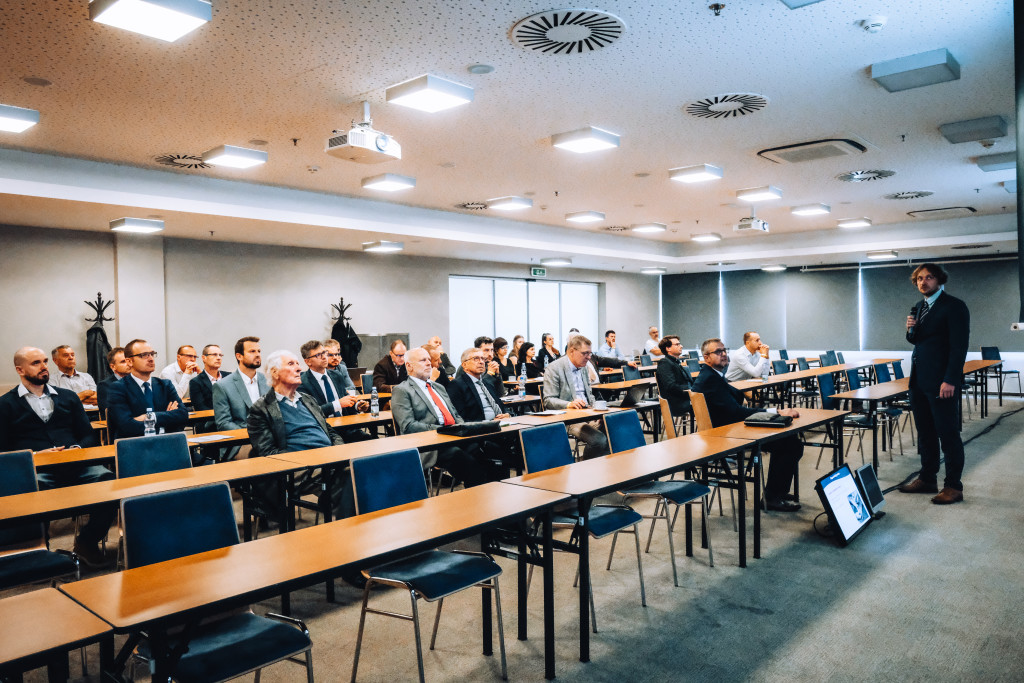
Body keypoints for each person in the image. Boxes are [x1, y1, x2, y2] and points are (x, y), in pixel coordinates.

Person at [0, 347, 113, 567]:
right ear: (19, 369)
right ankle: (40, 549)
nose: (44, 367)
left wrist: (77, 448)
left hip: (76, 465)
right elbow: (3, 449)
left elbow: (88, 434)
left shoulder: (68, 397)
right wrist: (33, 455)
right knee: (31, 491)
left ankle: (87, 541)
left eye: (44, 361)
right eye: (36, 363)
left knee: (107, 479)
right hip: (37, 471)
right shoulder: (6, 404)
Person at [692, 338, 803, 512]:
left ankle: (775, 492)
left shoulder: (713, 376)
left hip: (731, 428)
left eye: (724, 350)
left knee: (789, 440)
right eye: (718, 352)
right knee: (790, 444)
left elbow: (736, 399)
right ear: (706, 357)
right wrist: (776, 412)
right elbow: (736, 412)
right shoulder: (710, 380)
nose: (724, 354)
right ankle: (773, 496)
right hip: (728, 435)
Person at [246, 350, 350, 527]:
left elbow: (330, 432)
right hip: (300, 467)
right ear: (275, 373)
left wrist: (337, 451)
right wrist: (314, 459)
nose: (299, 368)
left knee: (370, 469)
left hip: (330, 459)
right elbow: (268, 453)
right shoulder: (261, 409)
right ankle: (348, 534)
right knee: (352, 479)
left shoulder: (307, 400)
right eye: (291, 364)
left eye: (297, 364)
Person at [899, 263, 970, 505]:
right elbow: (918, 341)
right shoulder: (919, 307)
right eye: (919, 278)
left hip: (942, 382)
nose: (923, 282)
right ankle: (927, 478)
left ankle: (953, 486)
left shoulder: (954, 306)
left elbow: (959, 347)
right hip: (919, 380)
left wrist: (950, 379)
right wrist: (910, 330)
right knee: (926, 433)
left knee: (948, 433)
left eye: (929, 277)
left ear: (939, 280)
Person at [390, 347, 486, 486]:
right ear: (409, 366)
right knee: (466, 461)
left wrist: (460, 428)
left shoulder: (438, 387)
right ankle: (476, 501)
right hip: (430, 444)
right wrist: (443, 430)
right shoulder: (402, 390)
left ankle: (486, 496)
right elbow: (408, 426)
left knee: (484, 451)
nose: (429, 363)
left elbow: (455, 415)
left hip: (454, 435)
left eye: (429, 359)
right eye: (423, 360)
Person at [443, 347, 512, 481]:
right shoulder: (456, 385)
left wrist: (507, 414)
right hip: (481, 433)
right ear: (464, 365)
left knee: (530, 437)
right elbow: (461, 418)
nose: (481, 362)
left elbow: (501, 406)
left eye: (483, 359)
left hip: (502, 427)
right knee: (499, 451)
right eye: (476, 359)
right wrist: (488, 424)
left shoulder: (487, 382)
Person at [542, 335, 608, 460]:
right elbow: (548, 400)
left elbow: (589, 395)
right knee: (599, 440)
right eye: (585, 353)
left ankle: (605, 471)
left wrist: (598, 409)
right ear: (572, 351)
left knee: (617, 430)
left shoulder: (583, 367)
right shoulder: (554, 368)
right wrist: (568, 404)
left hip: (588, 413)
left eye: (590, 353)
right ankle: (586, 470)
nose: (589, 357)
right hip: (569, 419)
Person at [106, 339, 189, 439]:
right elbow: (126, 426)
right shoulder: (118, 388)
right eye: (144, 355)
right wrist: (167, 416)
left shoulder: (165, 385)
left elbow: (183, 415)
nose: (151, 359)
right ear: (129, 361)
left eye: (152, 354)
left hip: (167, 442)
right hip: (136, 446)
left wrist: (150, 417)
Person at [299, 340, 372, 441]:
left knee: (372, 441)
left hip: (346, 427)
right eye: (318, 355)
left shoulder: (336, 375)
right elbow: (311, 412)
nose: (324, 357)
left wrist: (356, 405)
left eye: (324, 353)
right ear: (308, 362)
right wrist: (337, 404)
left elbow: (344, 402)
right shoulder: (303, 383)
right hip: (324, 431)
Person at [212, 336, 268, 431]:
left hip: (271, 438)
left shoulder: (268, 381)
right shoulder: (222, 386)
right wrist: (253, 435)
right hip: (243, 440)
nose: (258, 354)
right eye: (252, 351)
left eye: (259, 351)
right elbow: (223, 423)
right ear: (239, 356)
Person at [655, 335, 692, 420]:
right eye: (677, 344)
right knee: (708, 403)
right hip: (675, 402)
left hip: (683, 398)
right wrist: (689, 389)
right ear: (668, 348)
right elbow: (670, 386)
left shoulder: (675, 362)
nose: (681, 346)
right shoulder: (665, 363)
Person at [188, 344, 230, 412]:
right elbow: (200, 409)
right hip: (210, 420)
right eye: (214, 354)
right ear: (204, 358)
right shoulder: (196, 382)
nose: (218, 358)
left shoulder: (229, 376)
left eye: (220, 355)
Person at [96, 346, 131, 412]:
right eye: (123, 361)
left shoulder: (138, 381)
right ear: (113, 366)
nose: (128, 364)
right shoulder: (105, 385)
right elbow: (108, 411)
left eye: (129, 360)